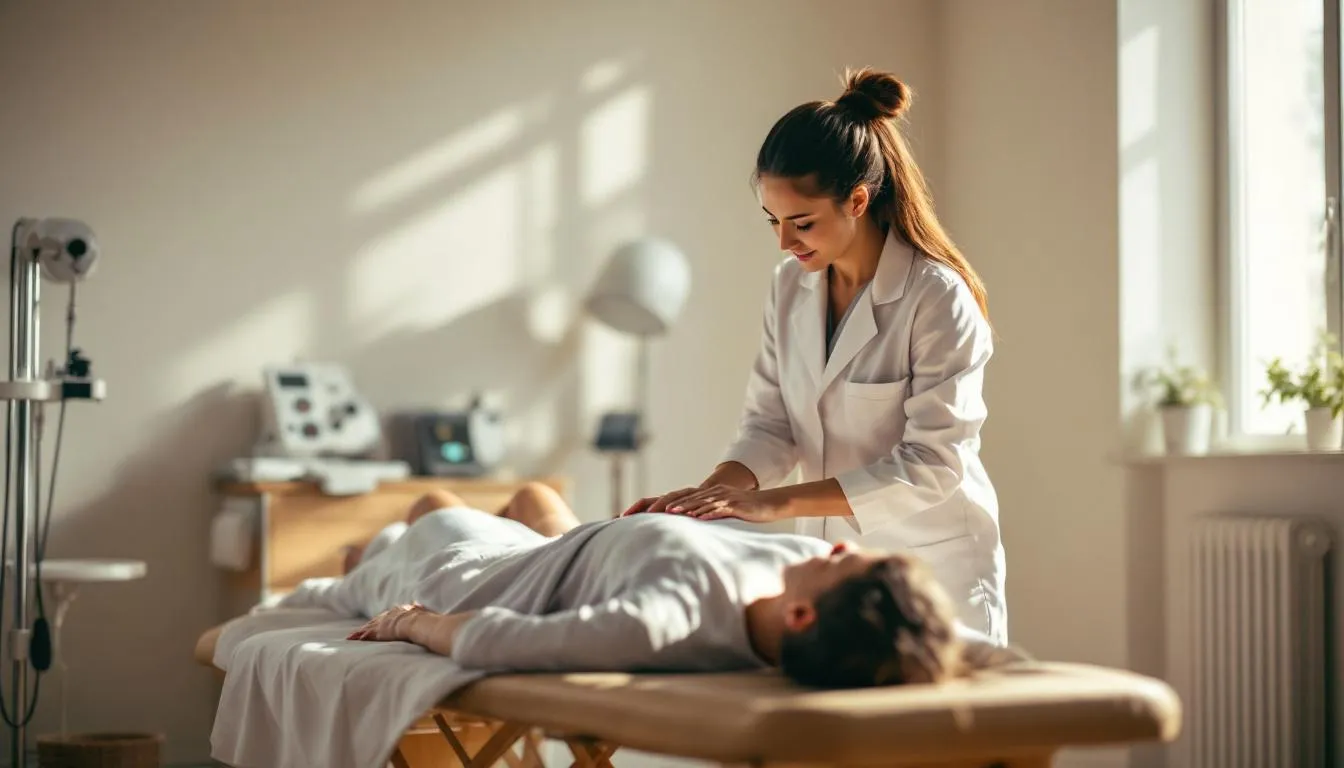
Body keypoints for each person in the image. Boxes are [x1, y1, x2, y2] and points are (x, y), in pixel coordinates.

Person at [624, 67, 1006, 644]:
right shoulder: (790, 288)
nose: (784, 241)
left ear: (857, 200)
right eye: (773, 222)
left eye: (801, 223)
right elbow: (771, 425)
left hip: (931, 575)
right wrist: (713, 497)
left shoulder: (936, 298)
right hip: (832, 572)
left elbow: (932, 465)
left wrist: (771, 504)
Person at [301, 486, 1025, 690]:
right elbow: (942, 636)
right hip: (566, 550)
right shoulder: (803, 585)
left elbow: (494, 637)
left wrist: (411, 623)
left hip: (470, 572)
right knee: (530, 491)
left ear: (803, 613)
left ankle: (364, 561)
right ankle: (374, 554)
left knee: (425, 505)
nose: (837, 543)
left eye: (844, 560)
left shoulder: (665, 620)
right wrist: (1026, 668)